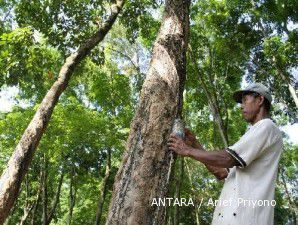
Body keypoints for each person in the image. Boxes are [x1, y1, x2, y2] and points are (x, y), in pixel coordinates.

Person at [167, 83, 283, 225]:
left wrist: (187, 150)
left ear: (260, 100)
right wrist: (195, 144)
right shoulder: (254, 134)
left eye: (245, 100)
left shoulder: (267, 126)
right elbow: (221, 172)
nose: (241, 106)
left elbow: (227, 158)